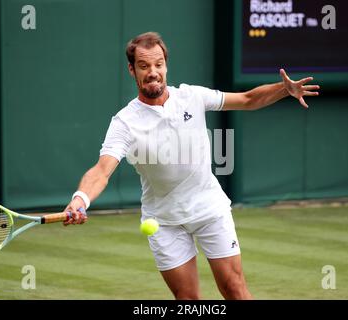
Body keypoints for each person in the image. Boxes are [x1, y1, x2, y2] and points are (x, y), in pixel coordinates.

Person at [63, 32, 319, 300]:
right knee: (187, 300)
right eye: (144, 66)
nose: (153, 72)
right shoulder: (124, 122)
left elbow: (247, 99)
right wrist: (80, 200)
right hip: (164, 220)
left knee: (234, 290)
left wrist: (284, 89)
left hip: (209, 208)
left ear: (166, 65)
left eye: (158, 64)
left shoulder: (192, 96)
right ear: (132, 70)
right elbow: (102, 170)